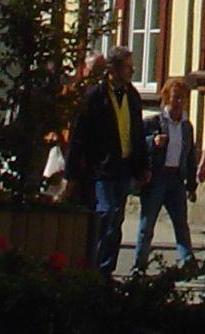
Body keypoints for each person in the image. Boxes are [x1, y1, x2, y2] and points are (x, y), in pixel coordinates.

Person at [64, 44, 150, 275]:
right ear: (113, 69)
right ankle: (93, 266)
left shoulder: (132, 96)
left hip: (124, 166)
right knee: (106, 213)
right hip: (101, 168)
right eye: (128, 67)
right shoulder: (95, 96)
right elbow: (79, 136)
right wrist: (71, 173)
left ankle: (106, 270)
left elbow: (137, 133)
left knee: (117, 220)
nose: (132, 71)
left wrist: (143, 166)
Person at [133, 78, 199, 272]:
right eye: (175, 97)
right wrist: (152, 142)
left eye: (182, 98)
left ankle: (187, 260)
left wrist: (191, 185)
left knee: (181, 223)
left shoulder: (187, 126)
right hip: (156, 177)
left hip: (176, 178)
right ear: (166, 98)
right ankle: (139, 265)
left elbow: (190, 156)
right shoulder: (154, 122)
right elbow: (137, 145)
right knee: (147, 223)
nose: (178, 102)